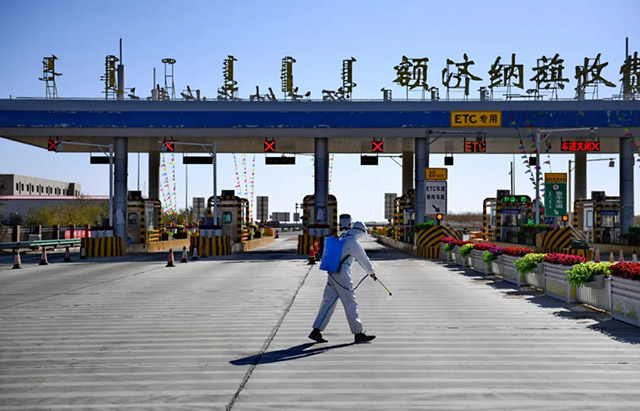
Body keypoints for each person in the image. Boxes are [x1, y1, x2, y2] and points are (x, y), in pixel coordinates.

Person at [308, 221, 377, 344]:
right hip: (342, 274)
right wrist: (371, 272)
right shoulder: (352, 241)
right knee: (351, 303)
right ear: (360, 232)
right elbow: (363, 258)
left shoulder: (343, 236)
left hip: (332, 272)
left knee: (328, 302)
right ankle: (358, 333)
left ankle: (316, 330)